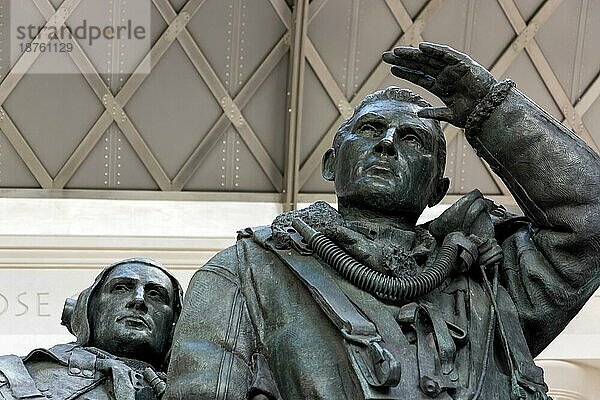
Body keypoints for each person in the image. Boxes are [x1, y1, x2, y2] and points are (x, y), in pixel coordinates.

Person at [165, 43, 600, 399]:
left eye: (412, 139)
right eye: (371, 130)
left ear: (436, 188)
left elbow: (591, 217)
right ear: (332, 164)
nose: (388, 144)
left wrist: (491, 111)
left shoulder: (489, 274)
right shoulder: (247, 269)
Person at [0, 258, 183, 400]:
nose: (139, 300)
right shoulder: (13, 375)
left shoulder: (193, 390)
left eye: (156, 295)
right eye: (120, 288)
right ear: (89, 309)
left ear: (174, 324)